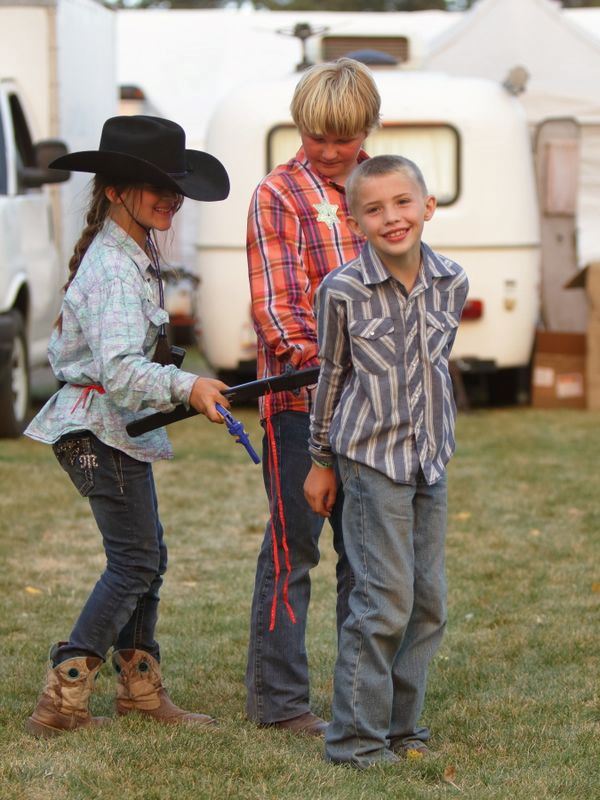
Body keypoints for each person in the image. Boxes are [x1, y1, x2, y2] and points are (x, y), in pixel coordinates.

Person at [24, 115, 231, 737]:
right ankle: (64, 693)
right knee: (135, 560)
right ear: (115, 189)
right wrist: (186, 385)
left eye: (175, 185)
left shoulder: (132, 250)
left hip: (114, 428)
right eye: (155, 185)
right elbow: (118, 371)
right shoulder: (115, 268)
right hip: (99, 428)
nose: (171, 196)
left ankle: (140, 688)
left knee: (147, 555)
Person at [304, 154, 469, 767]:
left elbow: (436, 366)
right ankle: (354, 740)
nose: (391, 217)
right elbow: (330, 377)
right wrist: (320, 460)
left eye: (403, 202)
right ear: (356, 221)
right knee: (383, 602)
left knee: (428, 603)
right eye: (374, 209)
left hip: (430, 462)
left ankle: (403, 729)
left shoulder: (452, 281)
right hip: (371, 465)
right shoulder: (342, 290)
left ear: (428, 207)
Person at [245, 58, 381, 735]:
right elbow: (278, 310)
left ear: (368, 129)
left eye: (345, 137)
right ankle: (279, 701)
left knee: (368, 559)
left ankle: (363, 697)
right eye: (318, 136)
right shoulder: (279, 194)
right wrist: (340, 367)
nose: (330, 152)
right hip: (300, 411)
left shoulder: (384, 190)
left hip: (379, 417)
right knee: (292, 549)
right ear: (300, 129)